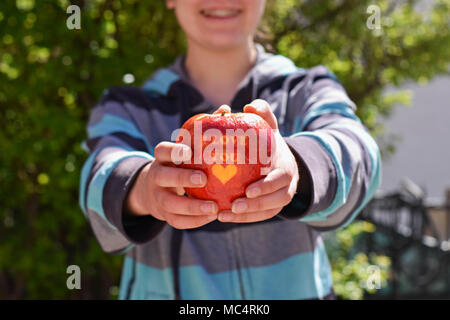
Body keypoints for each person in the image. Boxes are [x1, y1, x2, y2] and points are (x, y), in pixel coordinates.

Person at [79, 0, 381, 299]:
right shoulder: (129, 108)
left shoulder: (305, 89)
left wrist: (300, 168)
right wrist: (143, 189)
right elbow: (98, 178)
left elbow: (360, 154)